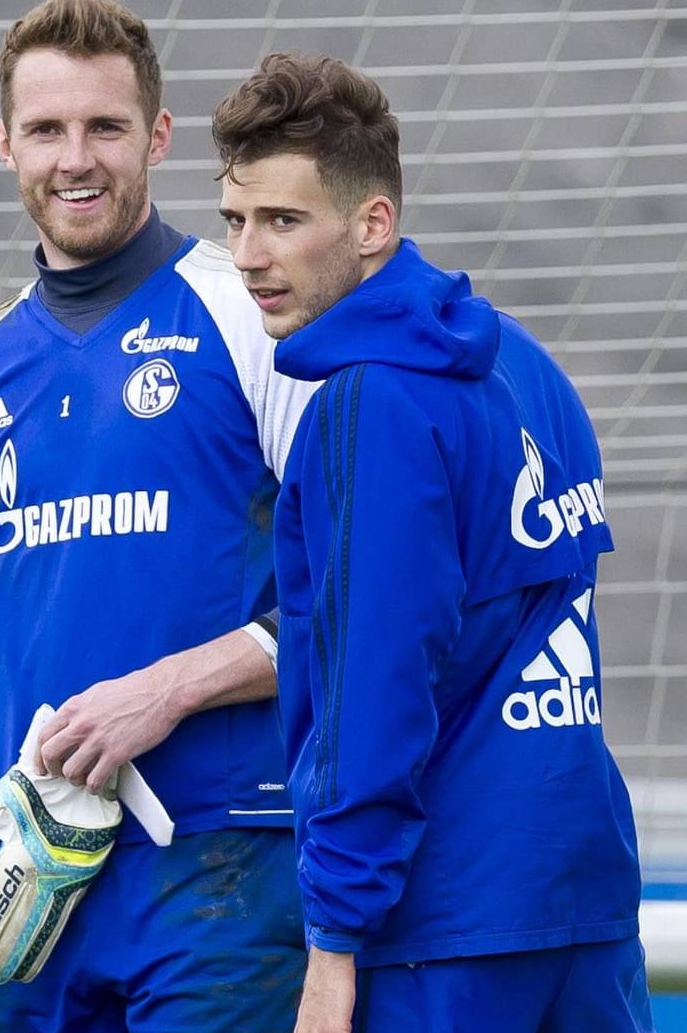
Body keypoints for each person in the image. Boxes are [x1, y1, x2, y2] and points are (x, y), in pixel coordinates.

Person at [0, 0, 315, 1031]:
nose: (76, 158)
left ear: (160, 136)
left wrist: (170, 690)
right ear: (5, 143)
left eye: (106, 126)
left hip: (218, 870)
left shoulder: (252, 320)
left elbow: (359, 596)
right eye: (48, 129)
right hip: (18, 891)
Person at [211, 54, 651, 1033]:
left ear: (373, 225)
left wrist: (332, 943)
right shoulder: (529, 368)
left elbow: (377, 685)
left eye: (284, 221)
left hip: (440, 921)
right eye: (235, 220)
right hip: (584, 894)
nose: (248, 256)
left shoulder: (371, 406)